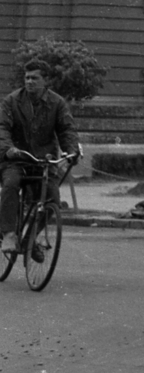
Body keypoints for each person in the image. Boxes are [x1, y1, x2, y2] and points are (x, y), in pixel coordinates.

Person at [1, 61, 81, 259]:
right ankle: (9, 233)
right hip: (16, 159)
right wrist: (8, 149)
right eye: (27, 78)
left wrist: (71, 151)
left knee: (52, 199)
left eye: (34, 78)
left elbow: (66, 129)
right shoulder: (12, 101)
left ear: (45, 81)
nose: (29, 82)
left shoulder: (57, 103)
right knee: (11, 185)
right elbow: (2, 126)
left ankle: (30, 239)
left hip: (42, 161)